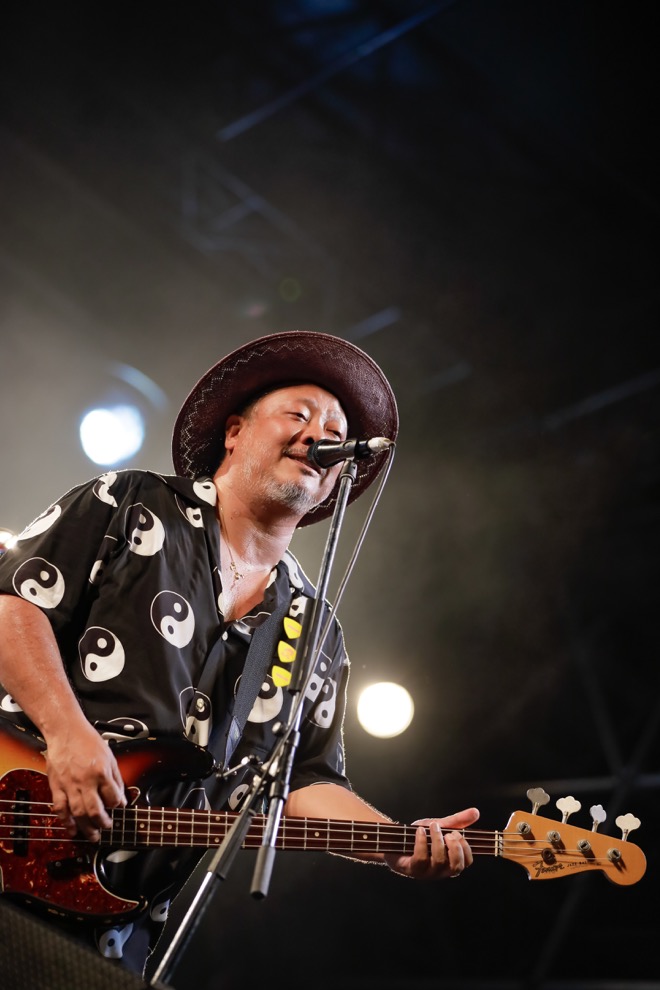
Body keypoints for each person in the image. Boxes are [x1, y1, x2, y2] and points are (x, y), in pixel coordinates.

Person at [0, 330, 479, 980]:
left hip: (114, 930)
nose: (319, 435)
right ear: (234, 432)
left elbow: (305, 780)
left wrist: (393, 844)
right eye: (299, 413)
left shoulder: (315, 630)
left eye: (336, 431)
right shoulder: (130, 502)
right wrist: (66, 735)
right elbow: (15, 607)